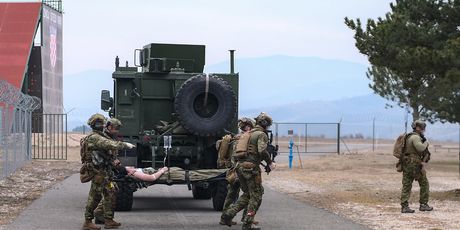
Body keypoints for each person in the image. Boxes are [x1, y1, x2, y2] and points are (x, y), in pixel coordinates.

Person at [221, 112, 276, 230]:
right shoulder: (261, 134)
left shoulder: (248, 134)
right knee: (257, 195)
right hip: (251, 169)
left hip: (240, 168)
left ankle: (228, 214)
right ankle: (247, 223)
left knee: (247, 194)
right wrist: (270, 162)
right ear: (265, 124)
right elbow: (262, 150)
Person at [81, 114, 135, 230]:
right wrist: (125, 145)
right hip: (97, 172)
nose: (100, 125)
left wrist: (118, 166)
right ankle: (87, 221)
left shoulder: (102, 136)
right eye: (98, 123)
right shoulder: (94, 137)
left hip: (105, 172)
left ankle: (108, 219)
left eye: (101, 123)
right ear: (93, 125)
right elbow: (108, 144)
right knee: (94, 196)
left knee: (111, 192)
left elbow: (108, 154)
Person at [219, 118, 255, 226]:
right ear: (248, 127)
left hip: (234, 171)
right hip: (239, 172)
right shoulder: (243, 139)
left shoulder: (236, 138)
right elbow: (238, 157)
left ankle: (224, 217)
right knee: (248, 195)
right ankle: (245, 218)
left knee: (231, 195)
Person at [94, 118, 123, 225]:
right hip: (101, 172)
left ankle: (101, 216)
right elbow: (104, 156)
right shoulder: (103, 139)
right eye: (116, 129)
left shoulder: (109, 137)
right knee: (110, 192)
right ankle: (105, 218)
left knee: (110, 192)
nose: (117, 131)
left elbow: (111, 155)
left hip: (107, 171)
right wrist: (115, 163)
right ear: (109, 127)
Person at [400, 120, 433, 213]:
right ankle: (423, 204)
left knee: (406, 184)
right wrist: (426, 142)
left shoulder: (410, 136)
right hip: (414, 164)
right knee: (424, 183)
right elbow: (420, 148)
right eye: (422, 127)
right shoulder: (415, 137)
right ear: (418, 128)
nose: (423, 129)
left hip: (407, 163)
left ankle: (404, 206)